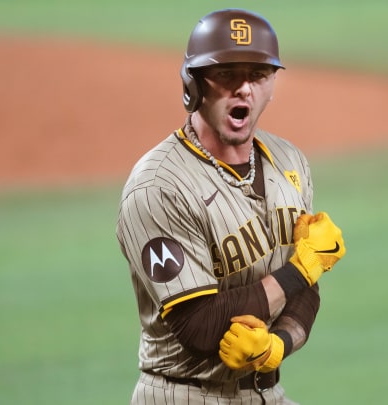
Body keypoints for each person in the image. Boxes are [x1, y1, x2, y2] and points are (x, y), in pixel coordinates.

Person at [116, 8, 346, 404]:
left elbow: (307, 292)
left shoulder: (289, 162)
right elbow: (201, 326)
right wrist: (300, 270)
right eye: (226, 74)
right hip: (182, 393)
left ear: (273, 84)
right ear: (194, 84)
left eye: (257, 75)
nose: (244, 88)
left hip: (267, 392)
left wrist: (278, 346)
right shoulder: (159, 187)